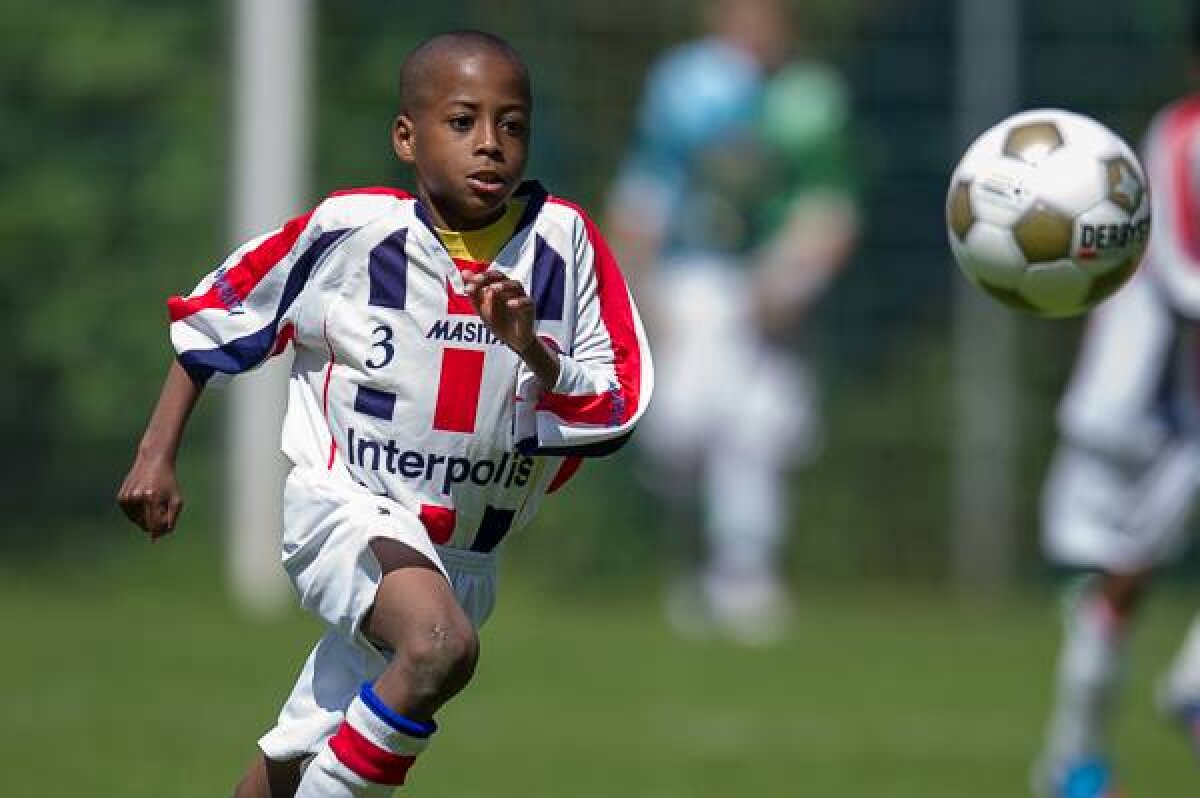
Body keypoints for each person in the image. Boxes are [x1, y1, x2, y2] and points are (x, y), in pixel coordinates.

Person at [117, 31, 652, 798]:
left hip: (462, 555)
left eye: (512, 125)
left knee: (302, 748)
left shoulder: (565, 246)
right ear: (407, 135)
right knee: (438, 647)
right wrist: (155, 452)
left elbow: (619, 403)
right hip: (346, 508)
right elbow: (217, 318)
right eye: (463, 122)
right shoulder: (351, 232)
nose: (491, 145)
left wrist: (535, 353)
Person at [605, 0, 858, 644]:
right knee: (681, 430)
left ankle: (745, 578)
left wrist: (793, 280)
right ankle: (689, 559)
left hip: (769, 271)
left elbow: (829, 204)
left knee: (758, 430)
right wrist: (637, 288)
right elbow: (647, 185)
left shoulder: (811, 97)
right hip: (693, 273)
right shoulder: (684, 84)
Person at [1032, 16, 1200, 795]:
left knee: (1117, 589)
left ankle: (1076, 765)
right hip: (1145, 411)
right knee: (1117, 588)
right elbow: (1183, 279)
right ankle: (1075, 766)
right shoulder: (1182, 137)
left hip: (1165, 410)